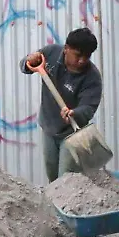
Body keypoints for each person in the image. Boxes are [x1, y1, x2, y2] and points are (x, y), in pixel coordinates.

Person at [20, 28, 103, 182]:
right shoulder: (50, 54)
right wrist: (28, 61)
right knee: (52, 177)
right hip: (49, 127)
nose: (82, 60)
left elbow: (88, 107)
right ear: (66, 49)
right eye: (78, 55)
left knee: (65, 179)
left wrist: (75, 113)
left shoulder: (92, 78)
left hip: (72, 134)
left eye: (87, 56)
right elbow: (26, 66)